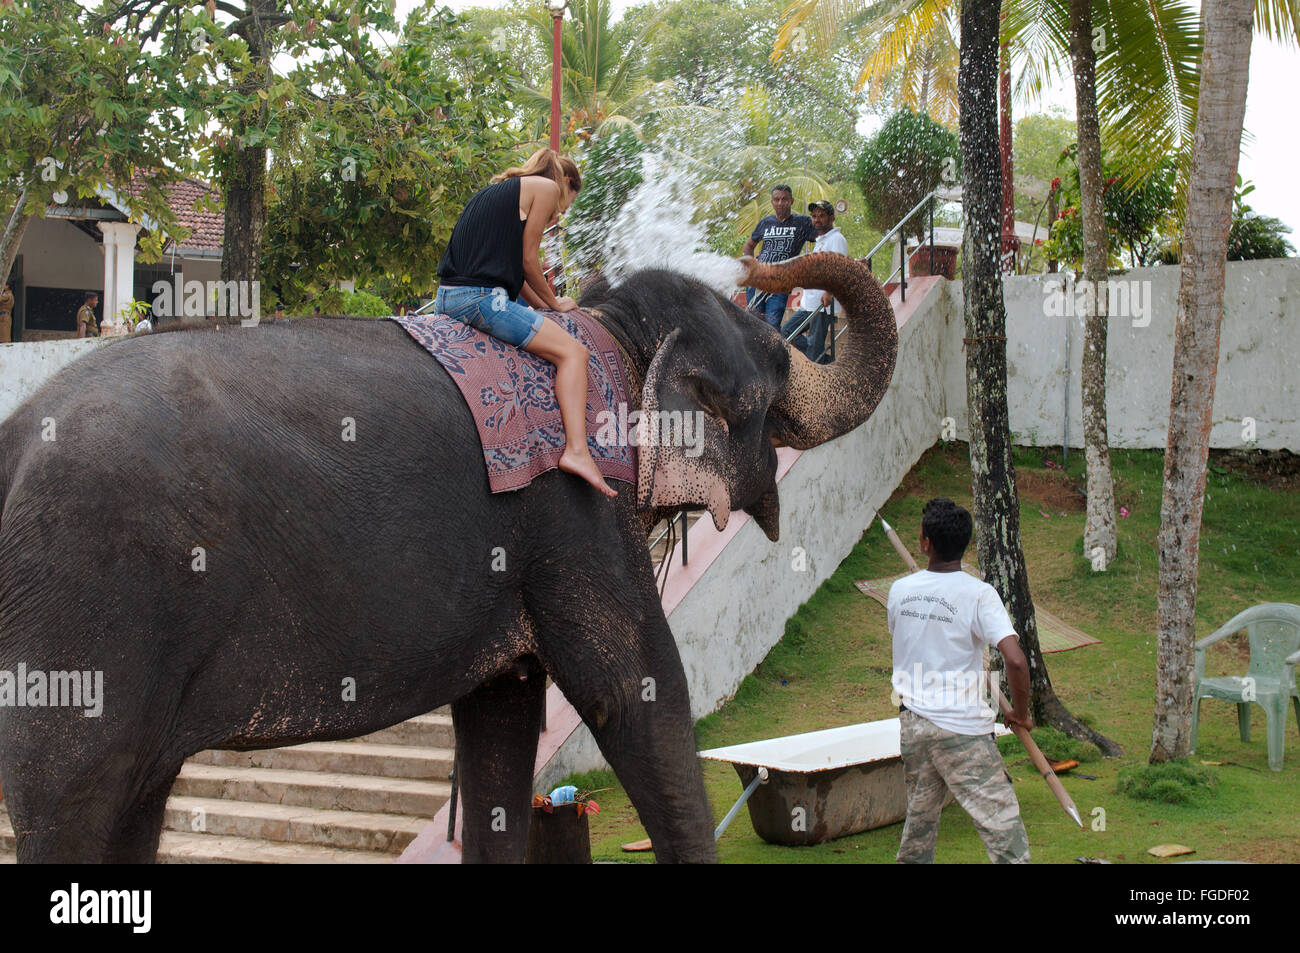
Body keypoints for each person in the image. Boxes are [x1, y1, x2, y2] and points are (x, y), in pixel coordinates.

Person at [435, 147, 615, 498]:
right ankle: (578, 451)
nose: (554, 217)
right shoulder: (545, 188)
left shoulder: (501, 191)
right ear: (564, 183)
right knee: (574, 354)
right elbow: (530, 261)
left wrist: (545, 307)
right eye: (562, 209)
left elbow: (516, 274)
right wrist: (556, 305)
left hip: (449, 295)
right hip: (482, 299)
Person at [888, 497, 1032, 864]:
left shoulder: (899, 592)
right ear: (964, 543)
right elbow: (1014, 660)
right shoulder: (979, 594)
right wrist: (1019, 712)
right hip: (961, 730)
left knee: (920, 823)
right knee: (1002, 826)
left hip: (913, 725)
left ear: (925, 542)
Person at [780, 200, 848, 363]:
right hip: (810, 304)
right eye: (814, 216)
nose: (817, 219)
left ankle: (820, 361)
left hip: (822, 305)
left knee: (812, 349)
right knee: (786, 332)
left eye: (821, 216)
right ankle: (826, 361)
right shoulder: (821, 241)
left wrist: (828, 292)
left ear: (831, 218)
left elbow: (837, 269)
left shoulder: (836, 239)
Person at [742, 184, 818, 329]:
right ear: (772, 201)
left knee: (772, 325)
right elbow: (749, 245)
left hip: (780, 283)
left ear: (791, 201)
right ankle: (757, 352)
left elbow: (822, 239)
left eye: (784, 199)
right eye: (776, 199)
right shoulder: (765, 222)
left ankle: (774, 351)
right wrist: (750, 267)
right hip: (757, 281)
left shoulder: (802, 222)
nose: (780, 203)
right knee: (753, 324)